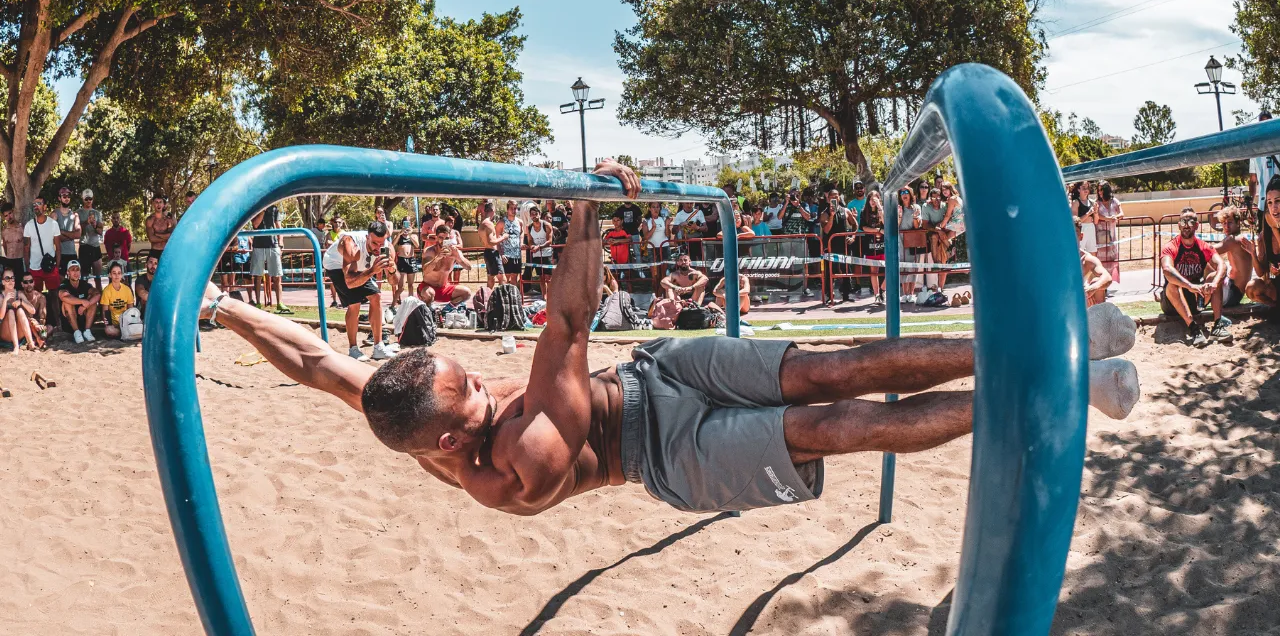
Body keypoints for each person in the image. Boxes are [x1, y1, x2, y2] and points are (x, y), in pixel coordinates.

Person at [204, 160, 1141, 520]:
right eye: (475, 398)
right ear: (451, 444)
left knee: (833, 365)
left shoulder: (406, 410)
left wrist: (227, 310)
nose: (485, 387)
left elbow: (322, 363)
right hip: (669, 451)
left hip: (659, 371)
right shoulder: (518, 462)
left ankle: (1045, 336)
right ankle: (1055, 385)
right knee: (835, 422)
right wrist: (584, 210)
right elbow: (566, 323)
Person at [321, 219, 395, 361]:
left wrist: (392, 270)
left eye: (381, 243)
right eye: (374, 243)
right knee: (354, 303)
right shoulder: (351, 244)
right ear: (367, 237)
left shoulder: (386, 248)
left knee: (376, 297)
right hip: (336, 265)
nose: (378, 248)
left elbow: (394, 282)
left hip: (362, 269)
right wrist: (373, 270)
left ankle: (378, 347)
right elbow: (349, 282)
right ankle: (353, 348)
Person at [1160, 208, 1230, 347]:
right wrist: (1190, 286)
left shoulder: (1203, 247)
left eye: (1190, 221)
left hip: (1197, 298)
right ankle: (1193, 328)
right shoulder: (1171, 246)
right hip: (1173, 302)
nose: (1186, 225)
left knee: (1215, 276)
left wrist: (1214, 283)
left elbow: (1222, 265)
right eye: (1183, 221)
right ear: (1179, 225)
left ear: (1197, 225)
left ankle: (1218, 324)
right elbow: (1167, 269)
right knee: (1173, 284)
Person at [421, 222, 475, 311]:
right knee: (429, 293)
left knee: (467, 293)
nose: (443, 241)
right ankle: (428, 312)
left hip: (444, 288)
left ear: (450, 238)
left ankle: (447, 309)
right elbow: (425, 271)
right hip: (427, 288)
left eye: (446, 238)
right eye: (441, 238)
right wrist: (437, 258)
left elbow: (469, 267)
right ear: (436, 237)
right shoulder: (429, 251)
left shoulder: (454, 251)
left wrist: (458, 257)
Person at [1246, 176, 1280, 309]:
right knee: (1252, 288)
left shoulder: (1271, 227)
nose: (1274, 207)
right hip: (1276, 286)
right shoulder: (1264, 234)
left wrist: (1274, 227)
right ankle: (1276, 309)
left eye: (1278, 201)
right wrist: (1253, 253)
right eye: (1270, 202)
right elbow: (1260, 273)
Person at [250, 204, 290, 314]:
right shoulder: (255, 207)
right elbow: (255, 224)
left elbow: (278, 225)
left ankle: (279, 303)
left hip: (273, 245)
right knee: (258, 276)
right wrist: (262, 210)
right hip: (258, 245)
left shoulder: (274, 208)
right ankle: (258, 302)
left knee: (277, 276)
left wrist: (281, 241)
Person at [820, 188, 854, 305]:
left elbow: (855, 224)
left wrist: (853, 236)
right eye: (832, 197)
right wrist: (832, 216)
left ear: (839, 197)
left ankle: (846, 294)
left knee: (846, 270)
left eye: (836, 196)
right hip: (830, 246)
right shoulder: (824, 214)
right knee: (830, 271)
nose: (834, 198)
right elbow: (826, 229)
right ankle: (829, 295)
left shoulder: (846, 211)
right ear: (828, 199)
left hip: (844, 245)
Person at [1215, 205, 1253, 309]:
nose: (1226, 226)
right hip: (1236, 293)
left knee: (1207, 262)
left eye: (1230, 222)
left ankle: (1198, 300)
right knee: (1215, 262)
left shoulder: (1233, 239)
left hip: (1232, 293)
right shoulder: (1239, 238)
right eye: (1224, 223)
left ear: (1238, 223)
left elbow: (1209, 250)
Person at [24, 195, 63, 296]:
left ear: (45, 207)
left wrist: (57, 267)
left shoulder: (53, 224)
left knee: (54, 295)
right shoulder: (29, 225)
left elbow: (58, 248)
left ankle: (54, 312)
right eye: (34, 204)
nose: (36, 206)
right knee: (35, 296)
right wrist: (28, 267)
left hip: (50, 266)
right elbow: (26, 248)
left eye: (39, 203)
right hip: (34, 267)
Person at [58, 259, 101, 344]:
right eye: (72, 269)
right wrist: (82, 301)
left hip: (84, 319)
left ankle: (87, 331)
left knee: (92, 301)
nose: (75, 272)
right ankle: (76, 332)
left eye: (77, 269)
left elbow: (97, 294)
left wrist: (86, 304)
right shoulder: (64, 284)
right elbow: (63, 296)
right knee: (67, 302)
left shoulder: (84, 284)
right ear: (68, 272)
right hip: (69, 324)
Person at [1248, 110, 1277, 231]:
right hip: (1263, 204)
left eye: (1268, 122)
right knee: (1265, 242)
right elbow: (1253, 180)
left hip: (1278, 202)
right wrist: (1250, 206)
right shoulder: (1255, 151)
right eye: (1262, 123)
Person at [935, 181, 966, 292]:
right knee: (946, 239)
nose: (944, 192)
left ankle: (950, 254)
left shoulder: (952, 199)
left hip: (957, 223)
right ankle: (950, 253)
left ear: (950, 188)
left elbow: (948, 215)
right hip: (961, 224)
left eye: (946, 189)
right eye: (943, 190)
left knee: (939, 233)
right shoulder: (957, 198)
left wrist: (941, 225)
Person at [1092, 181, 1123, 290]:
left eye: (1102, 189)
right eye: (1098, 189)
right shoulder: (1096, 202)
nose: (1100, 192)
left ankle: (1108, 283)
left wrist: (1116, 216)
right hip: (1100, 234)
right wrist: (1108, 219)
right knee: (1101, 258)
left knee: (1111, 257)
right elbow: (1097, 216)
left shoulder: (1114, 201)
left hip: (1112, 233)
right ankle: (1102, 283)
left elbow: (1122, 213)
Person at [1, 268, 41, 351]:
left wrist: (21, 302)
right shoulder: (1, 296)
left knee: (20, 310)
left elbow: (32, 310)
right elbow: (0, 317)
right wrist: (5, 300)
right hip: (5, 333)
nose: (10, 281)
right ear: (3, 282)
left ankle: (31, 344)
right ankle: (16, 347)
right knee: (11, 312)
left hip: (19, 332)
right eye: (7, 279)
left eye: (12, 278)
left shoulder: (18, 293)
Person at [1075, 218, 1112, 306]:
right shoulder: (1055, 258)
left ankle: (1097, 315)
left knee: (1097, 282)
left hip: (1081, 304)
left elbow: (1107, 277)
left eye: (1075, 233)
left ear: (1081, 236)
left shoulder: (1087, 259)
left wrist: (1091, 289)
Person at [897, 188, 923, 301]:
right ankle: (904, 293)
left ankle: (911, 294)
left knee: (913, 266)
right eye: (902, 193)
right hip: (900, 239)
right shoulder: (898, 208)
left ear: (910, 194)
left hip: (912, 239)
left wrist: (915, 218)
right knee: (903, 266)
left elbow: (917, 226)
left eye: (906, 192)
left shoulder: (916, 208)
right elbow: (896, 225)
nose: (904, 195)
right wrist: (899, 216)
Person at [860, 191, 886, 305]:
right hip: (870, 244)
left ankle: (883, 289)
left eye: (875, 199)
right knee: (873, 271)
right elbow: (864, 227)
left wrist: (880, 207)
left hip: (884, 245)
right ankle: (876, 294)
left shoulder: (883, 210)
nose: (873, 202)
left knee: (890, 269)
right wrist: (878, 230)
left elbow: (886, 223)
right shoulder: (864, 212)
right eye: (871, 199)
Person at [100, 260, 137, 339]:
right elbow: (105, 312)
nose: (116, 275)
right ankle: (124, 334)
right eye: (114, 273)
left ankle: (124, 333)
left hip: (125, 322)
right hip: (113, 324)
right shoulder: (106, 291)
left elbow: (131, 309)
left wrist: (129, 323)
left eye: (119, 273)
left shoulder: (127, 289)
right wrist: (109, 325)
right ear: (110, 275)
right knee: (109, 330)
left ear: (122, 275)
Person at [525, 206, 555, 297]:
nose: (534, 216)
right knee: (541, 277)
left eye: (536, 214)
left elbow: (549, 241)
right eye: (532, 214)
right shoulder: (529, 227)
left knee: (548, 277)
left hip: (547, 253)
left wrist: (540, 246)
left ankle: (551, 297)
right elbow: (529, 240)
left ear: (539, 214)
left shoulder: (546, 225)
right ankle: (544, 297)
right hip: (537, 254)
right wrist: (532, 246)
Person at [391, 217, 421, 307]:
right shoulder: (399, 236)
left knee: (411, 285)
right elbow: (392, 244)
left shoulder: (413, 235)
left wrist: (410, 234)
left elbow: (417, 245)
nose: (406, 225)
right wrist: (400, 233)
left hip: (411, 260)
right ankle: (393, 304)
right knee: (401, 287)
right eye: (405, 223)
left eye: (408, 223)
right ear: (402, 224)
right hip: (402, 260)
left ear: (411, 224)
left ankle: (410, 304)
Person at [78, 189, 105, 287]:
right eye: (86, 199)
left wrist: (94, 226)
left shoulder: (97, 213)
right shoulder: (78, 213)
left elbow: (101, 231)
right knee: (84, 278)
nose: (88, 201)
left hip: (95, 247)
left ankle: (101, 301)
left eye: (90, 199)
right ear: (83, 199)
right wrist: (86, 222)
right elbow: (77, 230)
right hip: (84, 247)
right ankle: (85, 300)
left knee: (98, 278)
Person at [498, 201, 524, 289]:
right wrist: (501, 254)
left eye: (515, 208)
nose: (513, 210)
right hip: (506, 255)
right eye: (511, 208)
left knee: (514, 277)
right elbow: (496, 239)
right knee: (505, 278)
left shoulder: (519, 222)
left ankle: (513, 298)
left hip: (516, 255)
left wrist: (522, 242)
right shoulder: (502, 222)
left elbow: (522, 233)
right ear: (507, 209)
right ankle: (502, 298)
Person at [478, 203, 504, 290]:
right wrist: (503, 237)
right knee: (503, 279)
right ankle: (501, 300)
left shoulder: (482, 224)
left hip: (488, 252)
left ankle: (487, 299)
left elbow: (482, 240)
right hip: (492, 253)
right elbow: (491, 242)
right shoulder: (488, 224)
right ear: (493, 211)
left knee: (491, 279)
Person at [18, 271, 49, 338]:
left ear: (34, 282)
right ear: (22, 284)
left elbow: (42, 317)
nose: (29, 284)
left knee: (50, 328)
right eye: (26, 282)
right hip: (25, 326)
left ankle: (38, 339)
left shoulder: (41, 297)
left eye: (31, 281)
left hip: (37, 326)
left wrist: (40, 326)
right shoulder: (20, 295)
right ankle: (37, 339)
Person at [1069, 181, 1096, 255]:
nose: (1086, 190)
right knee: (1080, 253)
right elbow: (1076, 221)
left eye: (1087, 188)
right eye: (1083, 188)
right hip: (1081, 229)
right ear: (1078, 190)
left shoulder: (1092, 202)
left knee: (1092, 252)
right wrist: (1088, 214)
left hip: (1091, 228)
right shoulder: (1076, 202)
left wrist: (1096, 212)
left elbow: (1096, 221)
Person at [144, 195, 174, 259]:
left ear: (163, 204)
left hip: (166, 251)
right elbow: (151, 239)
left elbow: (171, 236)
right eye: (156, 202)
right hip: (154, 251)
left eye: (160, 202)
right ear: (153, 204)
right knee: (152, 268)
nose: (158, 204)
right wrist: (165, 238)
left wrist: (156, 234)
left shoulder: (168, 219)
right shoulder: (150, 220)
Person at [1, 204, 26, 279]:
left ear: (13, 212)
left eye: (10, 213)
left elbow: (27, 245)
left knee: (21, 286)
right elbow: (5, 247)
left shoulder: (21, 228)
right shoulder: (4, 231)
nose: (9, 217)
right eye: (6, 216)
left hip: (20, 261)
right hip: (9, 262)